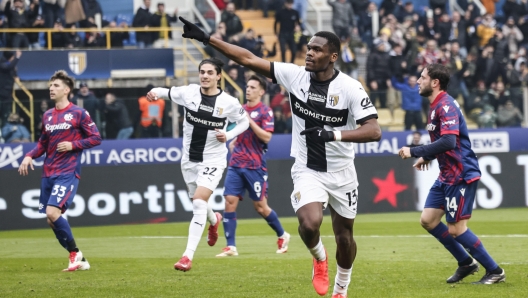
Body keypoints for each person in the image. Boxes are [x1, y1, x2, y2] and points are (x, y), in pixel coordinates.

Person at [177, 16, 382, 297]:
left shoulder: (349, 88)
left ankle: (341, 289)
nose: (310, 52)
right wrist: (206, 39)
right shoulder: (295, 75)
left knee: (344, 237)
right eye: (309, 47)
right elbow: (248, 58)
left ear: (333, 56)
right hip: (307, 168)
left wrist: (334, 135)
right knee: (309, 225)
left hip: (343, 171)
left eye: (317, 49)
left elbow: (374, 130)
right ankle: (319, 258)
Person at [398, 64, 505, 284]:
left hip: (460, 174)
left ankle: (495, 271)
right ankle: (466, 263)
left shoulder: (445, 105)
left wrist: (414, 151)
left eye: (422, 77)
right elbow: (443, 141)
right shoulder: (436, 105)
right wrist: (427, 157)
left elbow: (448, 141)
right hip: (447, 174)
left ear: (435, 82)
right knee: (428, 220)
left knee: (456, 230)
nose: (418, 81)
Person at [146, 57, 250, 272]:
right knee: (197, 201)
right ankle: (214, 220)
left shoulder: (228, 102)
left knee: (199, 202)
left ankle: (187, 256)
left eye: (210, 72)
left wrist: (228, 134)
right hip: (189, 160)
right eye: (202, 72)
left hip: (213, 160)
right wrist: (154, 92)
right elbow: (165, 92)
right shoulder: (189, 93)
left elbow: (244, 121)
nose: (204, 76)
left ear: (219, 76)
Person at [17, 70, 102, 271]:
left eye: (55, 86)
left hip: (68, 171)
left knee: (52, 212)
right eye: (50, 86)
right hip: (48, 172)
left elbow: (96, 138)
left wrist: (74, 145)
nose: (51, 89)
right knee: (50, 219)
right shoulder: (47, 116)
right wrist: (29, 155)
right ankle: (80, 259)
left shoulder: (79, 113)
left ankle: (75, 254)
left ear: (67, 90)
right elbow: (42, 144)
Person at [217, 75, 291, 258]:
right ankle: (230, 246)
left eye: (252, 87)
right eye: (247, 86)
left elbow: (266, 137)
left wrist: (249, 120)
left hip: (254, 165)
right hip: (236, 162)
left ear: (261, 91)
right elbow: (236, 129)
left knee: (260, 207)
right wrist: (233, 140)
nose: (248, 89)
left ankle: (282, 234)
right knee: (229, 202)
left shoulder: (265, 112)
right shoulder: (239, 109)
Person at [0, 50, 22, 126]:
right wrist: (17, 57)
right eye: (12, 57)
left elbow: (12, 70)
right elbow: (8, 66)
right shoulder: (2, 63)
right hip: (2, 92)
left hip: (8, 93)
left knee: (6, 115)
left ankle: (4, 131)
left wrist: (16, 76)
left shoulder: (11, 66)